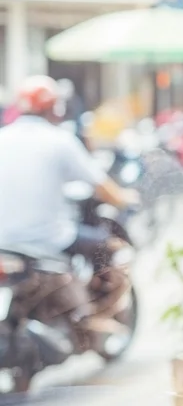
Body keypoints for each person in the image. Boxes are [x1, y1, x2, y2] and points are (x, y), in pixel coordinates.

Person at [0, 75, 140, 332]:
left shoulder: (3, 137)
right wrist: (125, 198)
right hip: (48, 238)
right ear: (55, 107)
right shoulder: (60, 140)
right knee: (111, 248)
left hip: (4, 241)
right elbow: (103, 186)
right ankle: (96, 314)